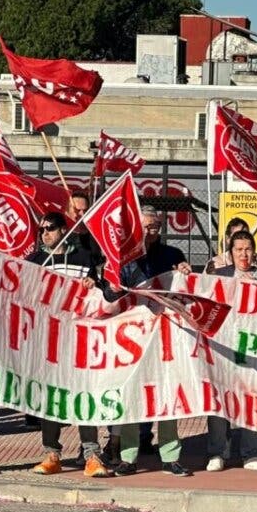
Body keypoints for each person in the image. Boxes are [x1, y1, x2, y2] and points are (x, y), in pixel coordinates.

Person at [26, 211, 112, 478]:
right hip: (49, 341)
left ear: (63, 230)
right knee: (50, 397)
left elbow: (103, 289)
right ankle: (51, 453)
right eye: (41, 230)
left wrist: (93, 281)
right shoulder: (37, 260)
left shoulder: (83, 258)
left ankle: (91, 454)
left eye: (50, 228)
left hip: (80, 340)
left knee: (84, 395)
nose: (45, 234)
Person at [110, 205, 192, 477]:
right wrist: (110, 285)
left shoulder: (173, 255)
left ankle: (170, 456)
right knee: (133, 395)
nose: (151, 230)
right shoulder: (125, 257)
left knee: (168, 396)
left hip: (166, 338)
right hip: (133, 338)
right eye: (146, 226)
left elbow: (185, 290)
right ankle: (128, 457)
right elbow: (112, 297)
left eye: (155, 226)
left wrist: (183, 271)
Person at [206, 230, 257, 472]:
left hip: (254, 350)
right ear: (230, 253)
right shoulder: (220, 276)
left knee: (251, 398)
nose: (243, 254)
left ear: (254, 251)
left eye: (247, 249)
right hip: (223, 348)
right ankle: (217, 452)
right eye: (238, 250)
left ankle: (250, 453)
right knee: (219, 397)